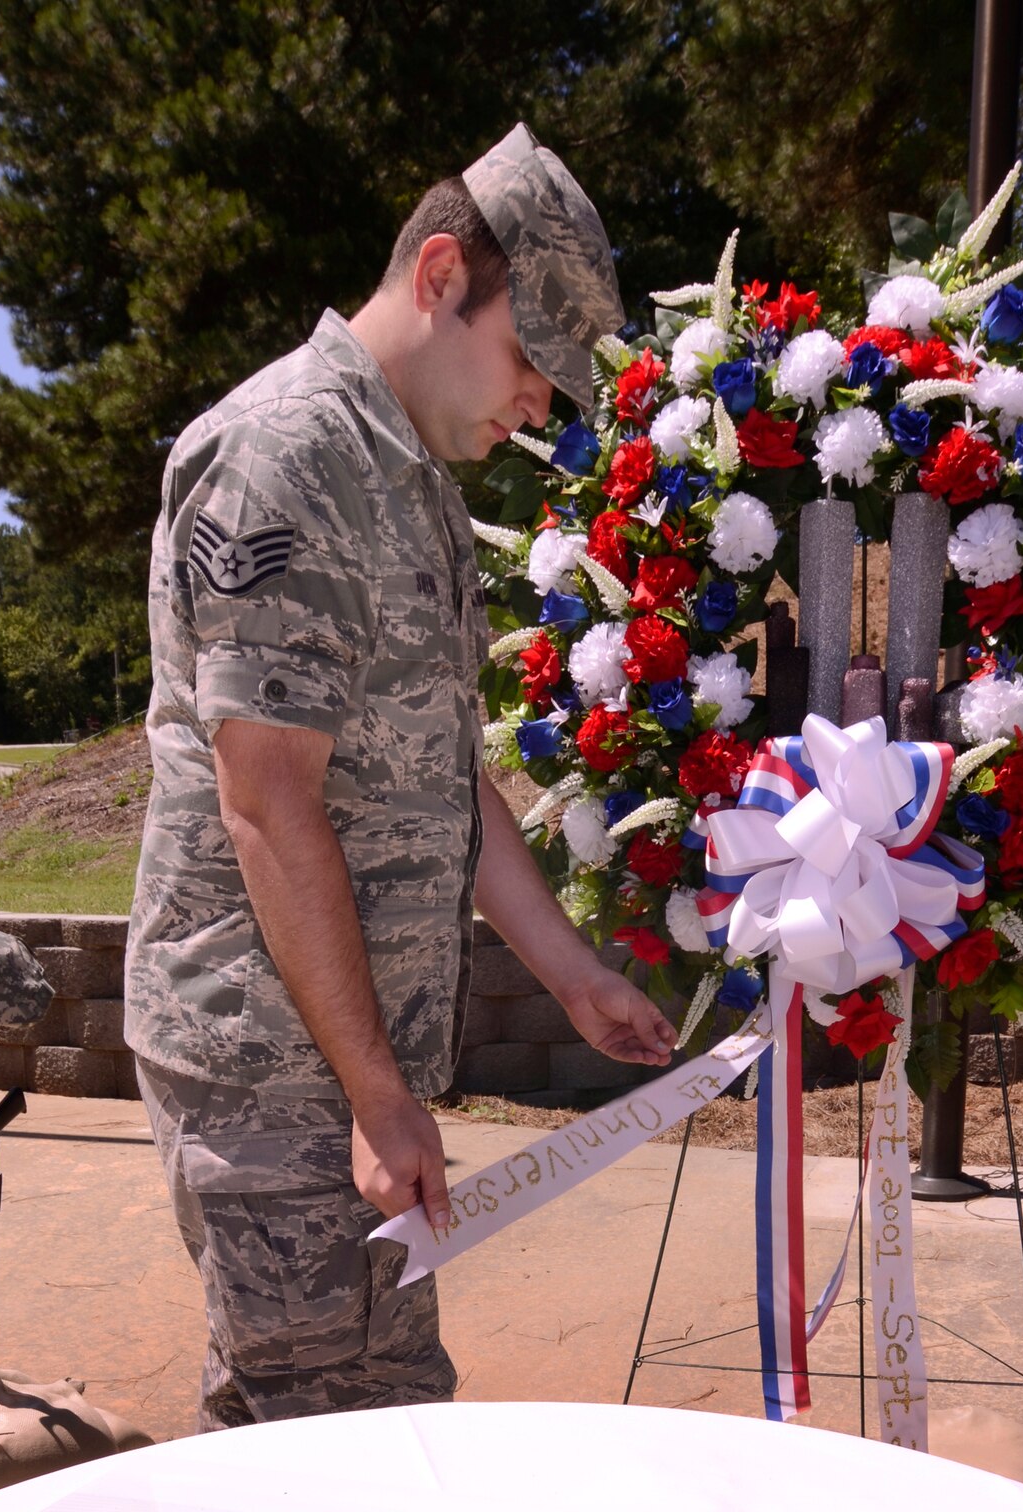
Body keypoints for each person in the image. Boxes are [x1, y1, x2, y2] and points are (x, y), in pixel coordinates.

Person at [125, 124, 675, 1432]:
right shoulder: (284, 458)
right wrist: (376, 1098)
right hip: (266, 1057)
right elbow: (266, 803)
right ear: (441, 277)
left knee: (372, 1415)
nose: (545, 404)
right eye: (531, 358)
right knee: (319, 1436)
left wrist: (574, 974)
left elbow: (444, 772)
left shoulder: (412, 482)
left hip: (340, 1054)